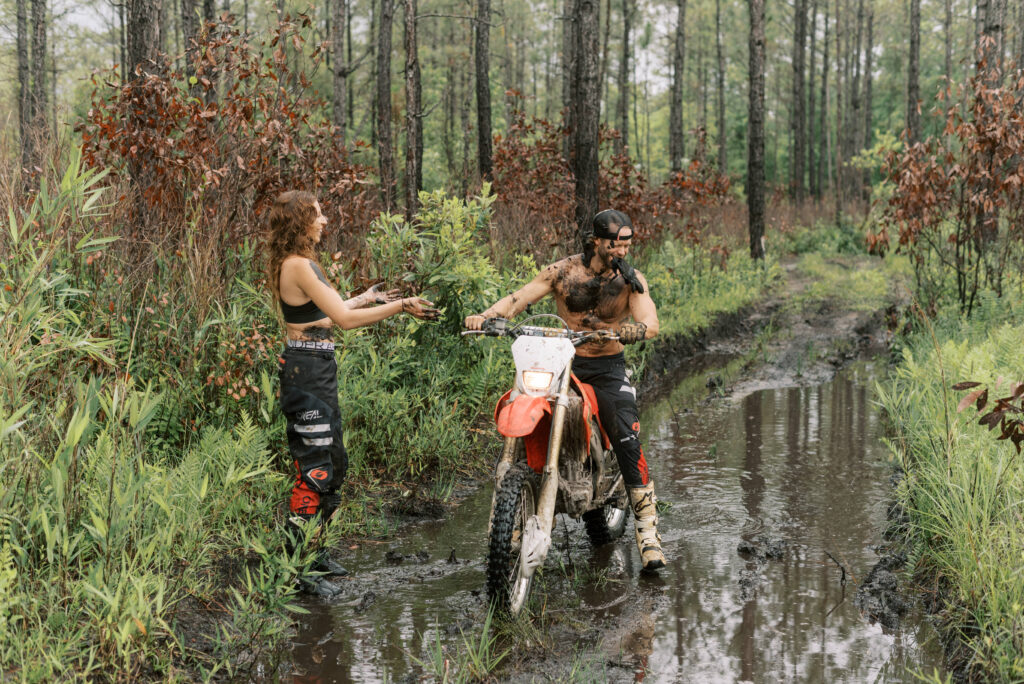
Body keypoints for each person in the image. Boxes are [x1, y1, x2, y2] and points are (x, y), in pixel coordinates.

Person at [464, 209, 666, 572]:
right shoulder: (562, 271)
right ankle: (518, 515)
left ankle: (648, 534)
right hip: (561, 361)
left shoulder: (630, 281)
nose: (621, 251)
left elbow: (649, 319)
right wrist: (487, 315)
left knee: (625, 433)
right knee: (526, 399)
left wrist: (638, 329)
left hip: (606, 368)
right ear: (596, 241)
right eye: (614, 245)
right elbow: (519, 298)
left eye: (626, 245)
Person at [265, 190, 438, 596]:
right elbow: (342, 320)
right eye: (318, 213)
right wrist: (400, 307)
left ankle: (317, 554)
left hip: (316, 368)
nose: (324, 220)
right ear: (300, 221)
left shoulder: (297, 264)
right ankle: (298, 570)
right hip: (306, 371)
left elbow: (324, 312)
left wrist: (368, 298)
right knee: (315, 467)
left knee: (333, 462)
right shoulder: (299, 264)